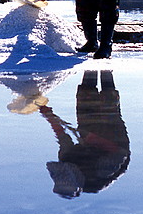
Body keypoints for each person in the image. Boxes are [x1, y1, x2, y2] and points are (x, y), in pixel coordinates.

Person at [41, 70, 130, 198]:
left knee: (86, 98)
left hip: (88, 140)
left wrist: (49, 115)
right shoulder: (99, 177)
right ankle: (105, 64)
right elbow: (120, 153)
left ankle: (91, 62)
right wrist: (93, 139)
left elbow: (62, 137)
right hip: (114, 141)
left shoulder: (65, 163)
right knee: (108, 104)